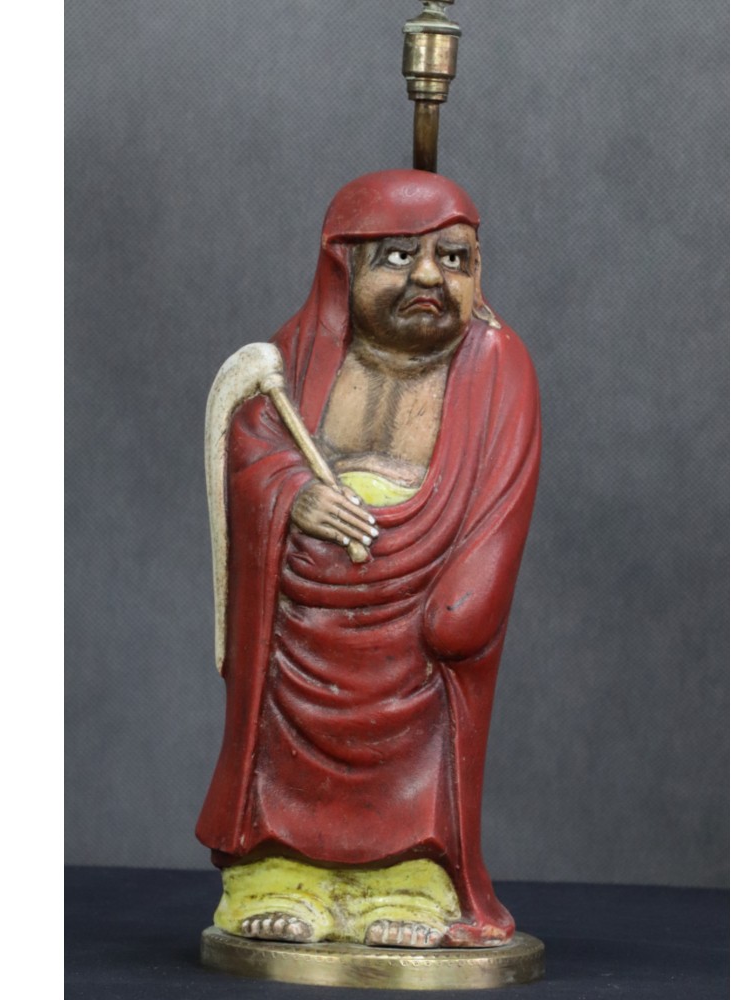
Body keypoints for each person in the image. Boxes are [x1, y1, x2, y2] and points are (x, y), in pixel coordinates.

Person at [197, 169, 541, 949]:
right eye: (396, 256)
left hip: (413, 628)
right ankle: (281, 873)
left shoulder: (495, 363)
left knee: (413, 760)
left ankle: (409, 884)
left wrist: (465, 601)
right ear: (343, 267)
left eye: (453, 258)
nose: (429, 278)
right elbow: (253, 444)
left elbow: (502, 495)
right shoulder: (298, 354)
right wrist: (294, 494)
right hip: (302, 622)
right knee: (282, 759)